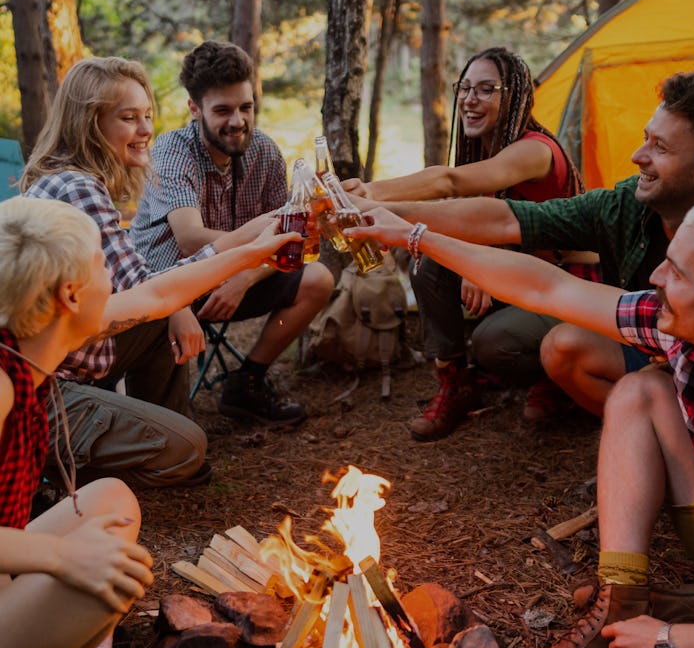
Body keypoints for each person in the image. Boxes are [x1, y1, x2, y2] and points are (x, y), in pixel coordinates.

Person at [345, 196, 694, 648]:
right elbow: (548, 287)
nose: (656, 277)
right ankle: (622, 603)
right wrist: (412, 235)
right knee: (641, 390)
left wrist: (672, 641)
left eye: (677, 272)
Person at [0, 194, 299, 648]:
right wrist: (63, 556)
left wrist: (254, 252)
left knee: (111, 500)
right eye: (100, 264)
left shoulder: (36, 335)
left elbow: (159, 293)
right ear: (70, 294)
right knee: (110, 574)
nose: (113, 273)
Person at [364, 71, 694, 420]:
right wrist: (398, 219)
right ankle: (664, 441)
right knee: (569, 350)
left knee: (650, 387)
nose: (638, 155)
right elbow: (513, 227)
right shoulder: (628, 203)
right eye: (645, 138)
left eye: (659, 148)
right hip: (660, 355)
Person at [21, 56, 285, 489]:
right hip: (44, 391)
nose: (146, 129)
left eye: (147, 115)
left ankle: (153, 428)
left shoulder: (76, 181)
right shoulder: (77, 188)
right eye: (129, 118)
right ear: (90, 123)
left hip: (71, 356)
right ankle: (61, 471)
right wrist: (246, 244)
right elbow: (146, 286)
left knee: (168, 316)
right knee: (187, 449)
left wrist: (178, 307)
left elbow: (136, 276)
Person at [346, 47, 591, 440]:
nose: (470, 99)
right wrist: (479, 258)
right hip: (523, 275)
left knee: (493, 344)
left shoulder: (534, 150)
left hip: (567, 285)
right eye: (465, 88)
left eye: (486, 89)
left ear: (515, 97)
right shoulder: (484, 148)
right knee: (427, 263)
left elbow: (450, 182)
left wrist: (371, 194)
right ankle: (457, 381)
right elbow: (466, 213)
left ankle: (555, 375)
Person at [131, 40, 334, 424]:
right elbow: (190, 237)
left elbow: (292, 237)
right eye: (222, 110)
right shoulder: (172, 150)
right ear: (195, 109)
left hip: (234, 277)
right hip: (169, 289)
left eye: (246, 107)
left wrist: (244, 275)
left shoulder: (266, 152)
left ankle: (248, 382)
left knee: (317, 279)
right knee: (172, 431)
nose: (238, 121)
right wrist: (252, 255)